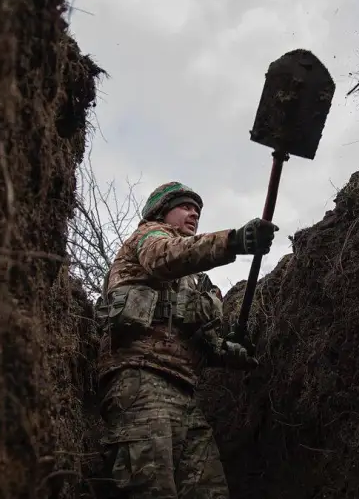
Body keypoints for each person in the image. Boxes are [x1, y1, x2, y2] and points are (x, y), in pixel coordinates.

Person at [94, 181, 278, 498]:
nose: (193, 212)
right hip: (140, 379)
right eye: (185, 206)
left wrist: (230, 352)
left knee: (209, 490)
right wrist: (234, 241)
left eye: (197, 209)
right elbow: (164, 258)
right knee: (149, 487)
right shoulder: (150, 238)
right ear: (162, 212)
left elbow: (201, 340)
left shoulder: (195, 280)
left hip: (186, 394)